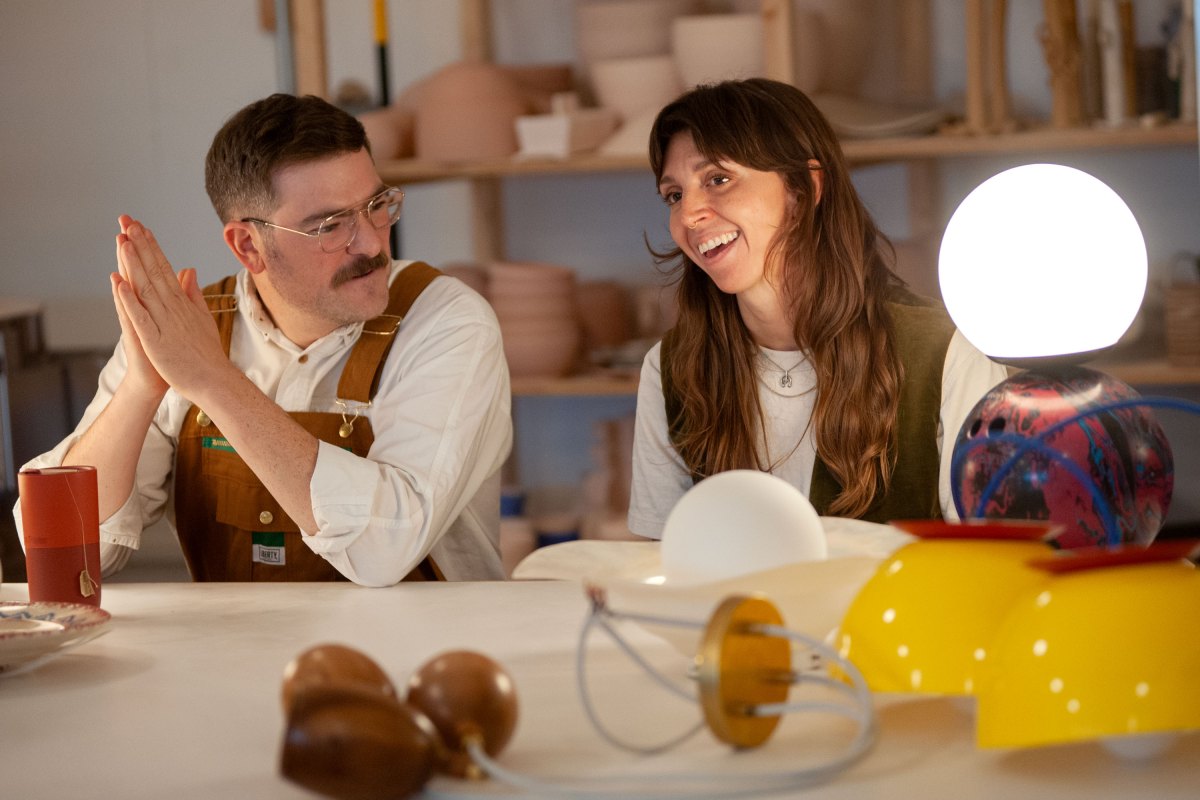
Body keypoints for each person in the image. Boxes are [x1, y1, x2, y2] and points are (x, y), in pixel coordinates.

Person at [14, 94, 512, 585]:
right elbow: (69, 548)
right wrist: (142, 386)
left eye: (377, 205)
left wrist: (214, 382)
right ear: (248, 245)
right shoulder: (183, 332)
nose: (372, 243)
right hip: (238, 656)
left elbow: (387, 547)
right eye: (330, 225)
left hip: (426, 659)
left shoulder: (449, 324)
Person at [627, 79, 1008, 539]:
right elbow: (659, 564)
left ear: (804, 190)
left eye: (718, 180)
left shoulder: (946, 355)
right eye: (674, 195)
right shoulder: (670, 370)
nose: (688, 214)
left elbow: (986, 561)